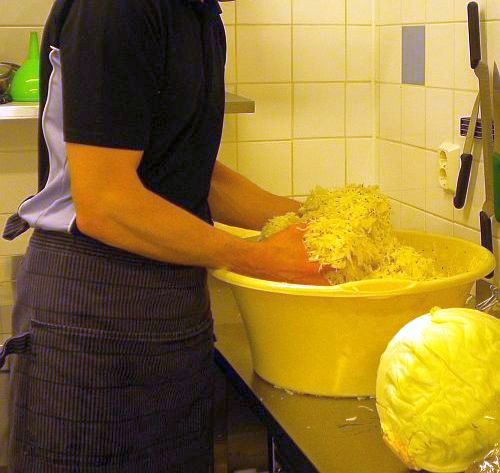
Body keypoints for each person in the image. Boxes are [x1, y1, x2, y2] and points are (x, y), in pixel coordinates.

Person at [1, 0, 328, 471]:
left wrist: (317, 219)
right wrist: (257, 257)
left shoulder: (199, 15)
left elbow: (190, 169)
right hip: (93, 319)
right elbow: (106, 202)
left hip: (171, 316)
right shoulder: (119, 9)